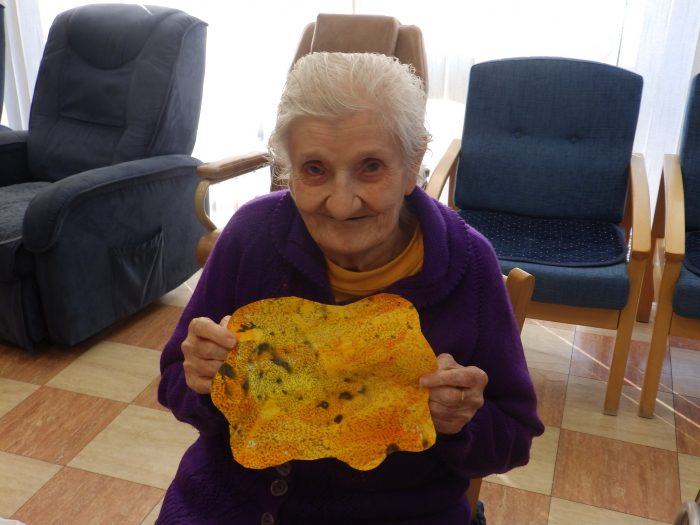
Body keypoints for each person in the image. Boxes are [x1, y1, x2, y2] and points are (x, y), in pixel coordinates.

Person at [157, 52, 544, 525]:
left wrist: (459, 422)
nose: (341, 205)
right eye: (314, 169)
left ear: (412, 163)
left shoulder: (467, 264)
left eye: (371, 166)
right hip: (227, 502)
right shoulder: (251, 235)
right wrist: (203, 381)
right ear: (288, 169)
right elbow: (175, 381)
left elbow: (512, 438)